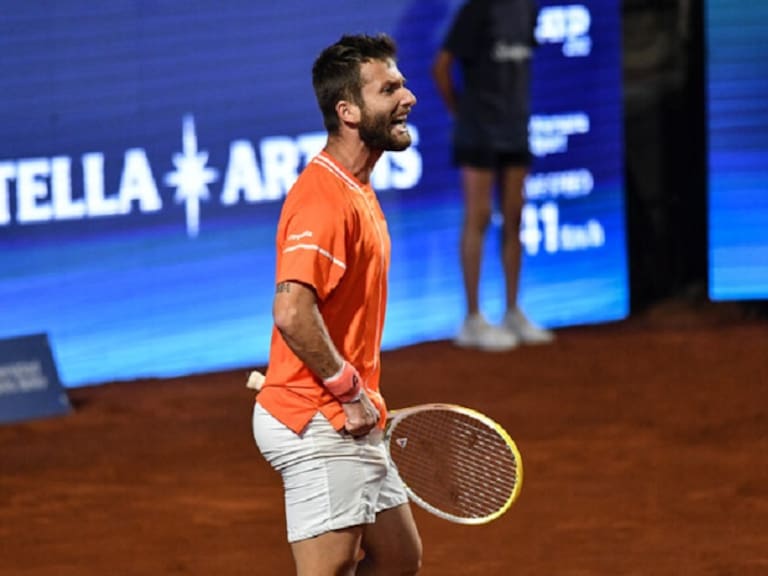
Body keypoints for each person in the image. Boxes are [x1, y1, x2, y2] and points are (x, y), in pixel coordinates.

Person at [251, 34, 422, 576]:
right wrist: (348, 391)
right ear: (348, 112)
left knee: (398, 560)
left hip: (347, 413)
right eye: (388, 89)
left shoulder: (355, 187)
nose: (408, 97)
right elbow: (291, 312)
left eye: (402, 84)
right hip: (316, 417)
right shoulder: (323, 199)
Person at [433, 0, 555, 351]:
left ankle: (513, 312)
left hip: (515, 129)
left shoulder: (528, 8)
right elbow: (441, 67)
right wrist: (462, 114)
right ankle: (472, 319)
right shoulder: (478, 8)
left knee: (515, 216)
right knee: (480, 216)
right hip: (478, 131)